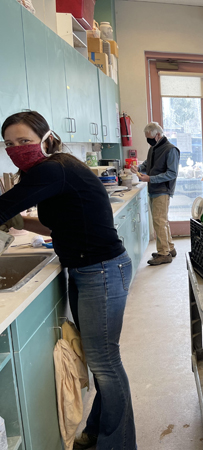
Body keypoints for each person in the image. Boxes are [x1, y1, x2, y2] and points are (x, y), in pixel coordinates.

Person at [0, 112, 136, 449]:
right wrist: (22, 222)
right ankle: (100, 430)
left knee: (105, 363)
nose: (17, 149)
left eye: (24, 141)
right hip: (89, 270)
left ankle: (119, 443)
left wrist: (9, 213)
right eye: (10, 144)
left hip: (101, 271)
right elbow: (58, 225)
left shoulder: (52, 169)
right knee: (100, 361)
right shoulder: (51, 169)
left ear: (46, 138)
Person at [132, 123, 180, 266]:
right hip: (154, 189)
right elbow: (148, 163)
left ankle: (163, 254)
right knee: (162, 221)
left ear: (158, 135)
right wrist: (138, 168)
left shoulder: (171, 150)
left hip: (163, 190)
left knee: (159, 222)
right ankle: (169, 248)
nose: (149, 141)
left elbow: (172, 173)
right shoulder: (154, 148)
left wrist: (150, 179)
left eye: (150, 138)